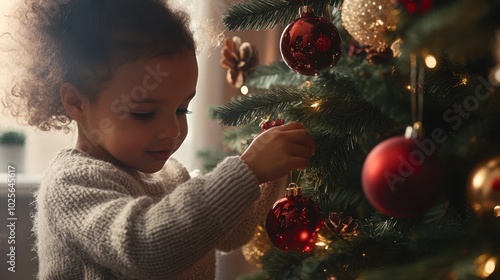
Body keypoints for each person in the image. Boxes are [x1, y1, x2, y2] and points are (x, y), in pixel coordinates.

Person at [3, 0, 316, 279]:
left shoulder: (171, 176)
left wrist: (268, 171)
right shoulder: (71, 185)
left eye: (182, 109)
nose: (173, 131)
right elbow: (147, 246)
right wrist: (247, 169)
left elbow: (231, 232)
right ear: (77, 102)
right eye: (144, 113)